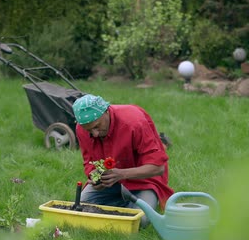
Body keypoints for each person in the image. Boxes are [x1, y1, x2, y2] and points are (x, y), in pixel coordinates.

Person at [72, 94, 174, 227]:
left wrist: (121, 174)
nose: (95, 134)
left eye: (97, 126)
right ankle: (124, 203)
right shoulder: (82, 129)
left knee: (139, 221)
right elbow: (89, 162)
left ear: (106, 111)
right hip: (109, 183)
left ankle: (131, 202)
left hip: (143, 182)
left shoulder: (133, 122)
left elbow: (158, 168)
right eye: (90, 131)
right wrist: (94, 177)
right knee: (80, 211)